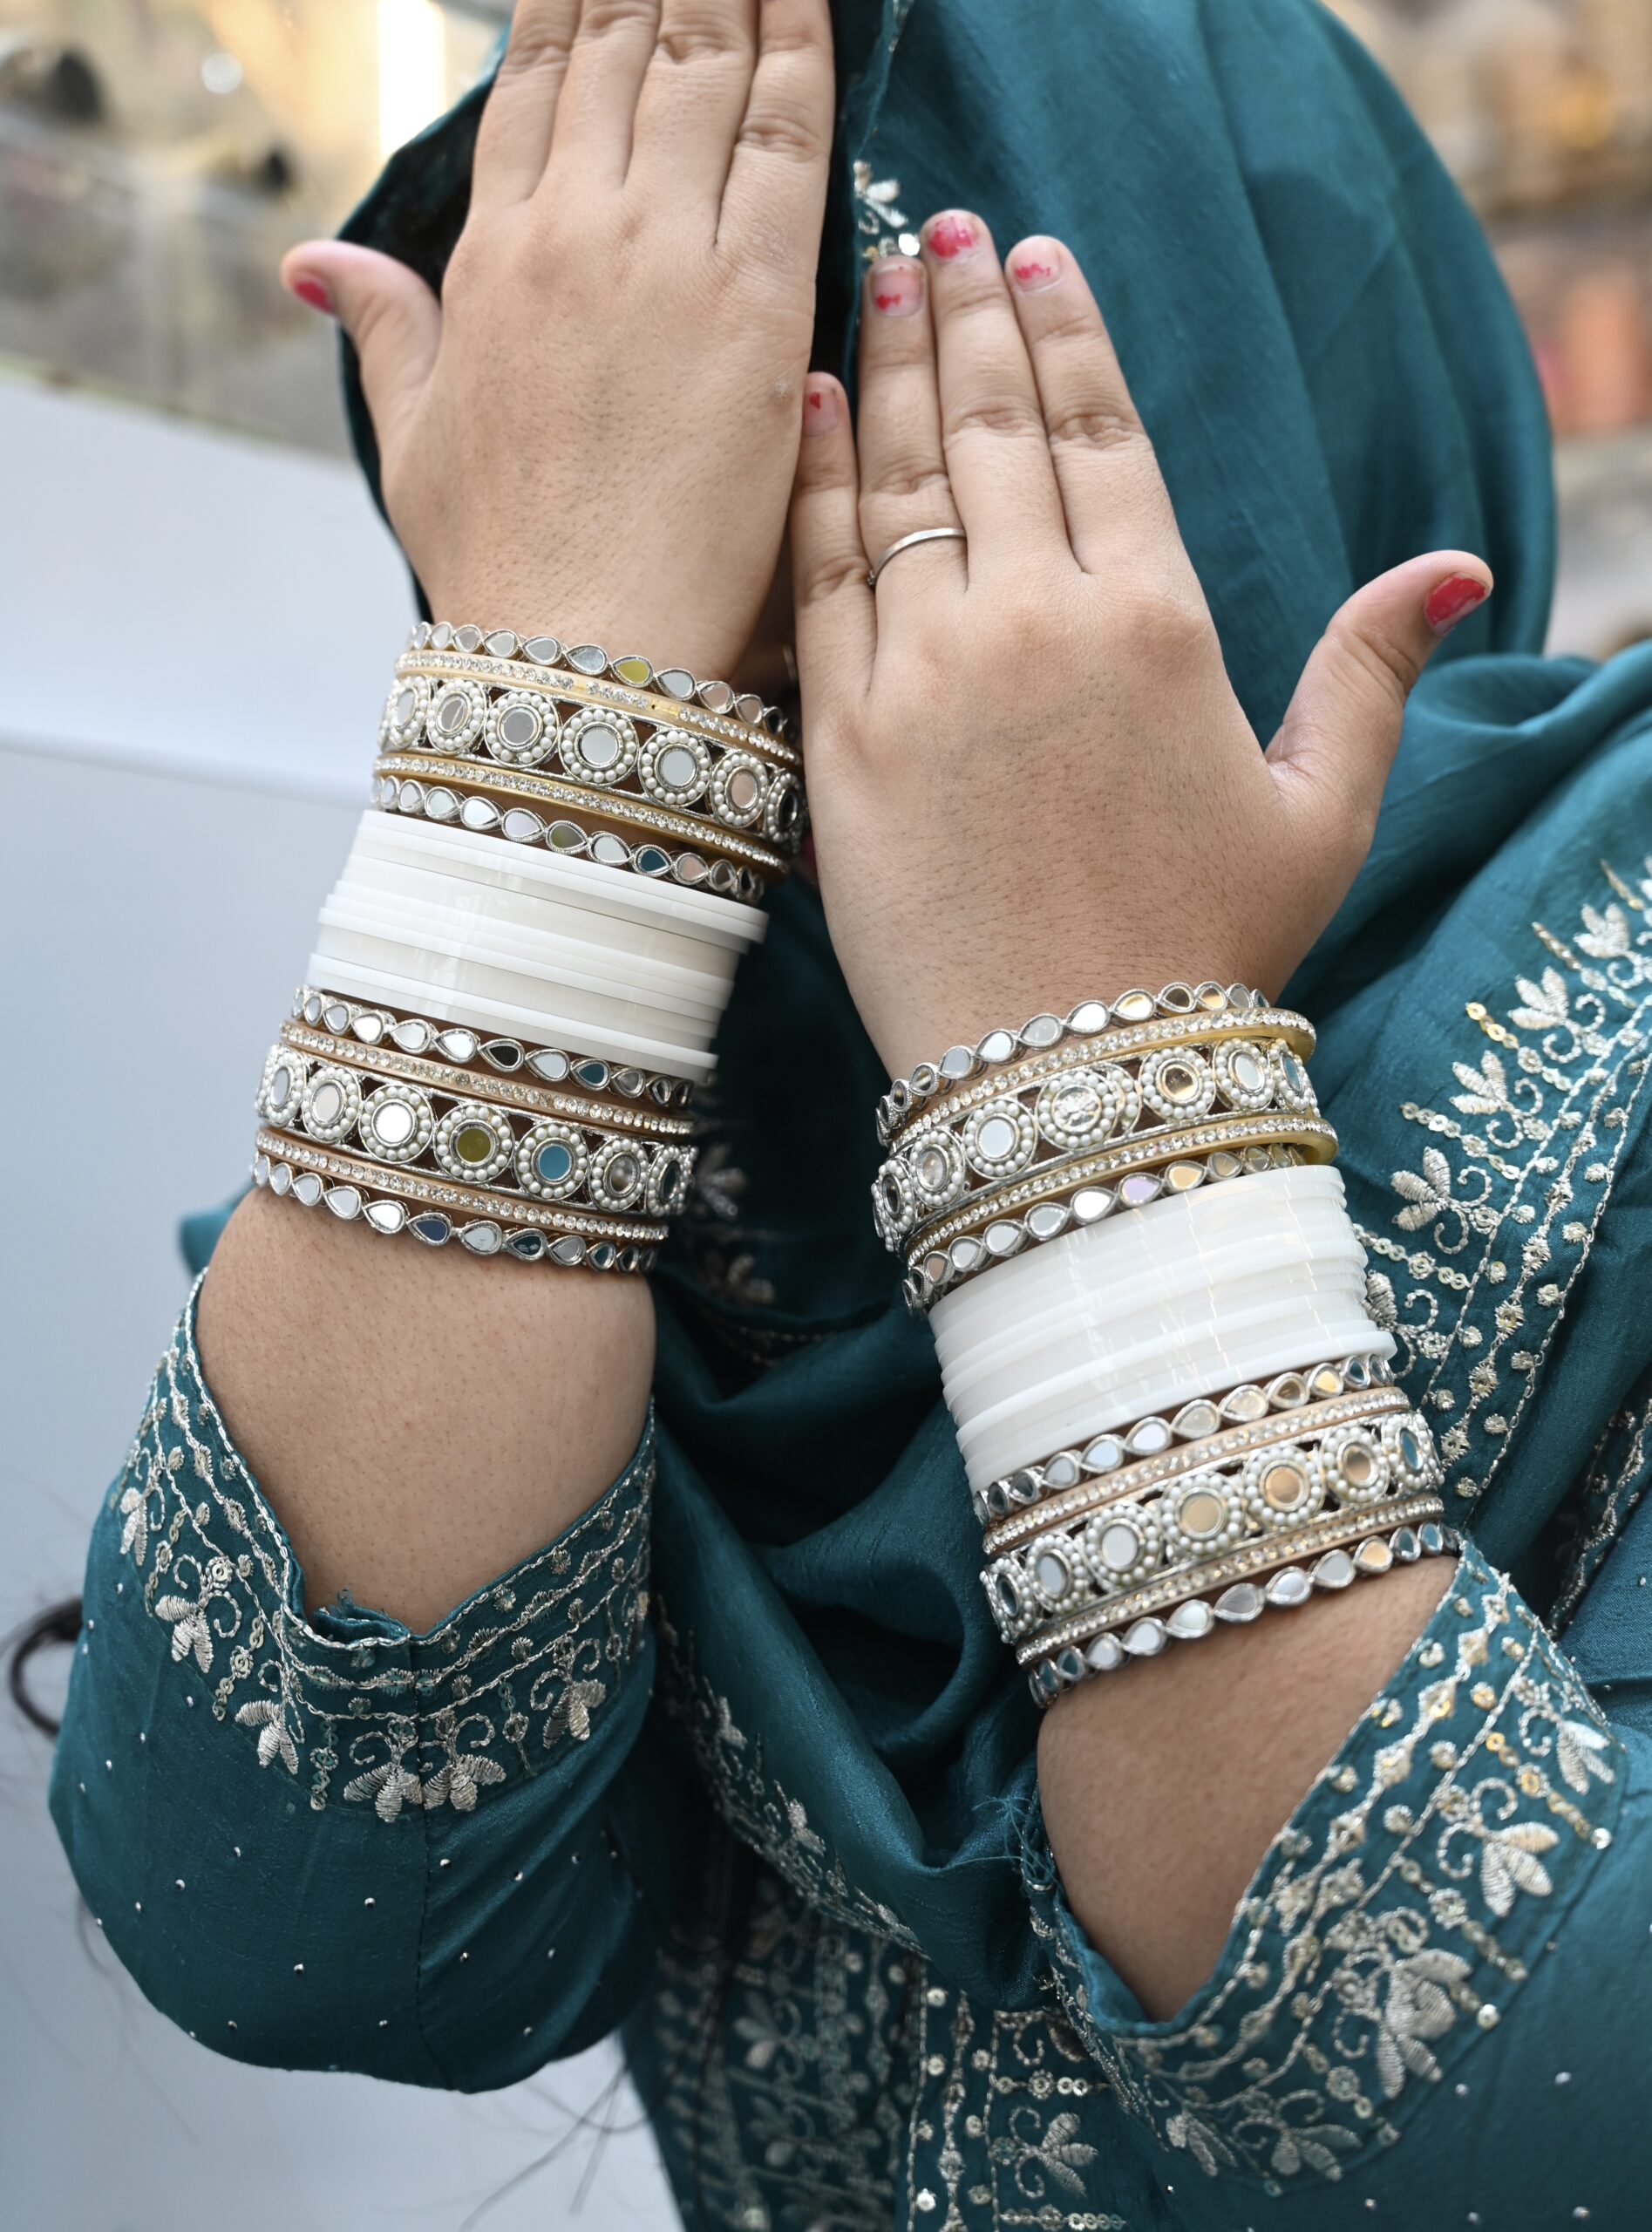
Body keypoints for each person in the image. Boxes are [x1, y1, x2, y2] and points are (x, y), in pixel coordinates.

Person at [42, 3, 1652, 2226]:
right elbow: (286, 1916)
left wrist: (1092, 1058)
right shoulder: (658, 1134)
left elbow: (1548, 2133)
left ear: (1241, 391)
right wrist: (560, 756)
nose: (845, 700)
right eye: (661, 515)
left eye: (964, 509)